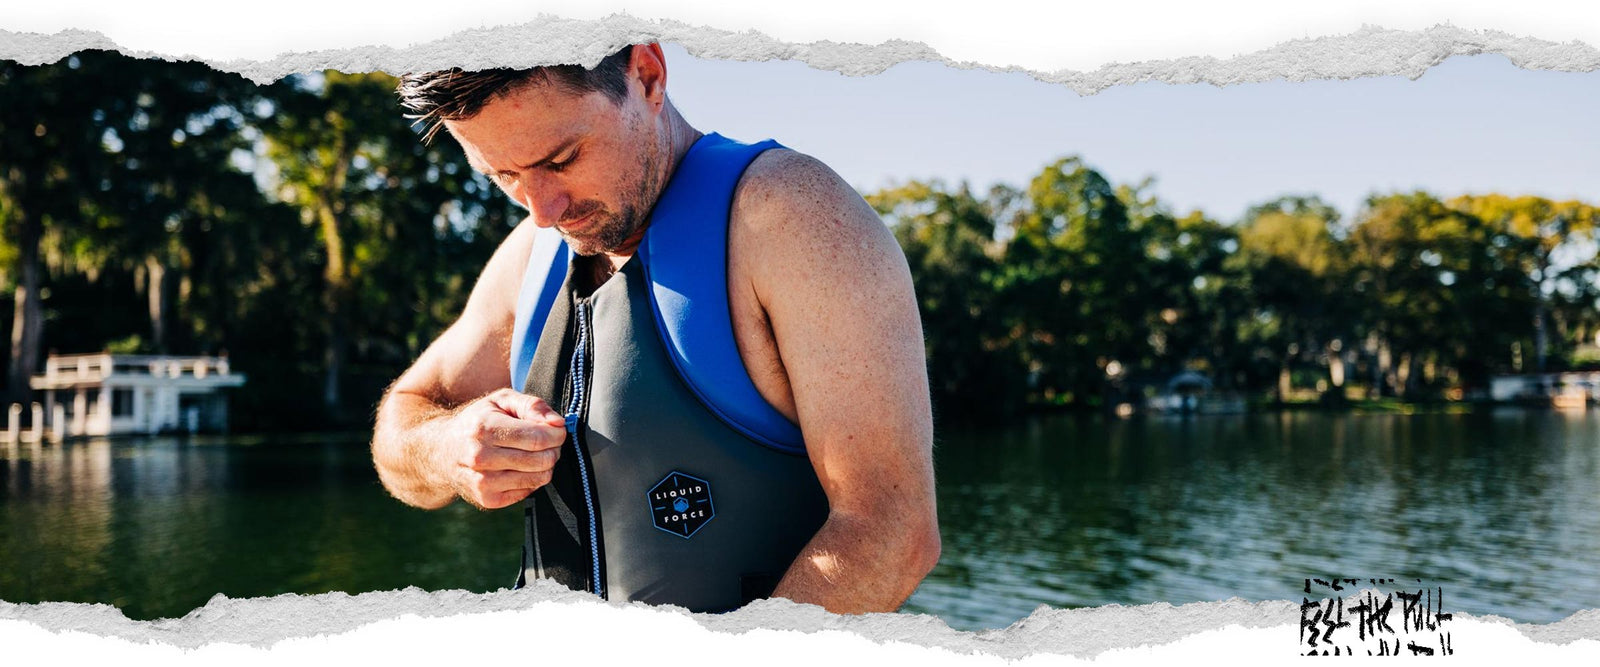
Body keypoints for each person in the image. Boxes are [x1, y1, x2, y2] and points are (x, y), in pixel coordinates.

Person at [371, 43, 938, 614]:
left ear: (646, 75)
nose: (541, 208)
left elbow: (890, 532)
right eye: (503, 175)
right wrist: (447, 448)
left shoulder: (788, 215)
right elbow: (404, 426)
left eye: (561, 159)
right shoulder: (532, 256)